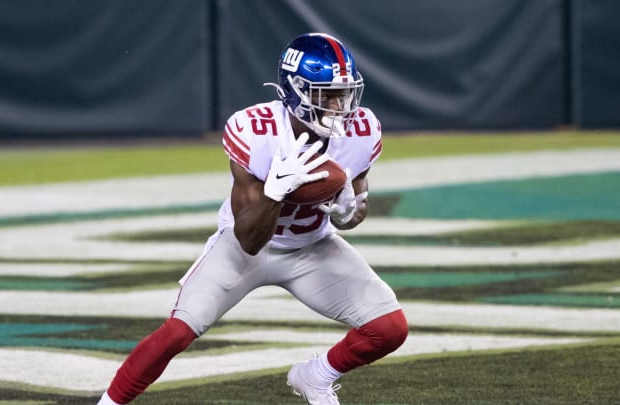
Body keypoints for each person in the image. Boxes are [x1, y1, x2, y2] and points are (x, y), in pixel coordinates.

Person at [98, 32, 408, 405]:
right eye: (325, 93)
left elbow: (355, 201)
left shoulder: (361, 130)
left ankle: (316, 376)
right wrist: (274, 194)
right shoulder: (255, 131)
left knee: (389, 328)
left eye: (343, 92)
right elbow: (248, 239)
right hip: (245, 249)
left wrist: (349, 215)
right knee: (177, 332)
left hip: (312, 246)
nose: (338, 104)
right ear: (294, 90)